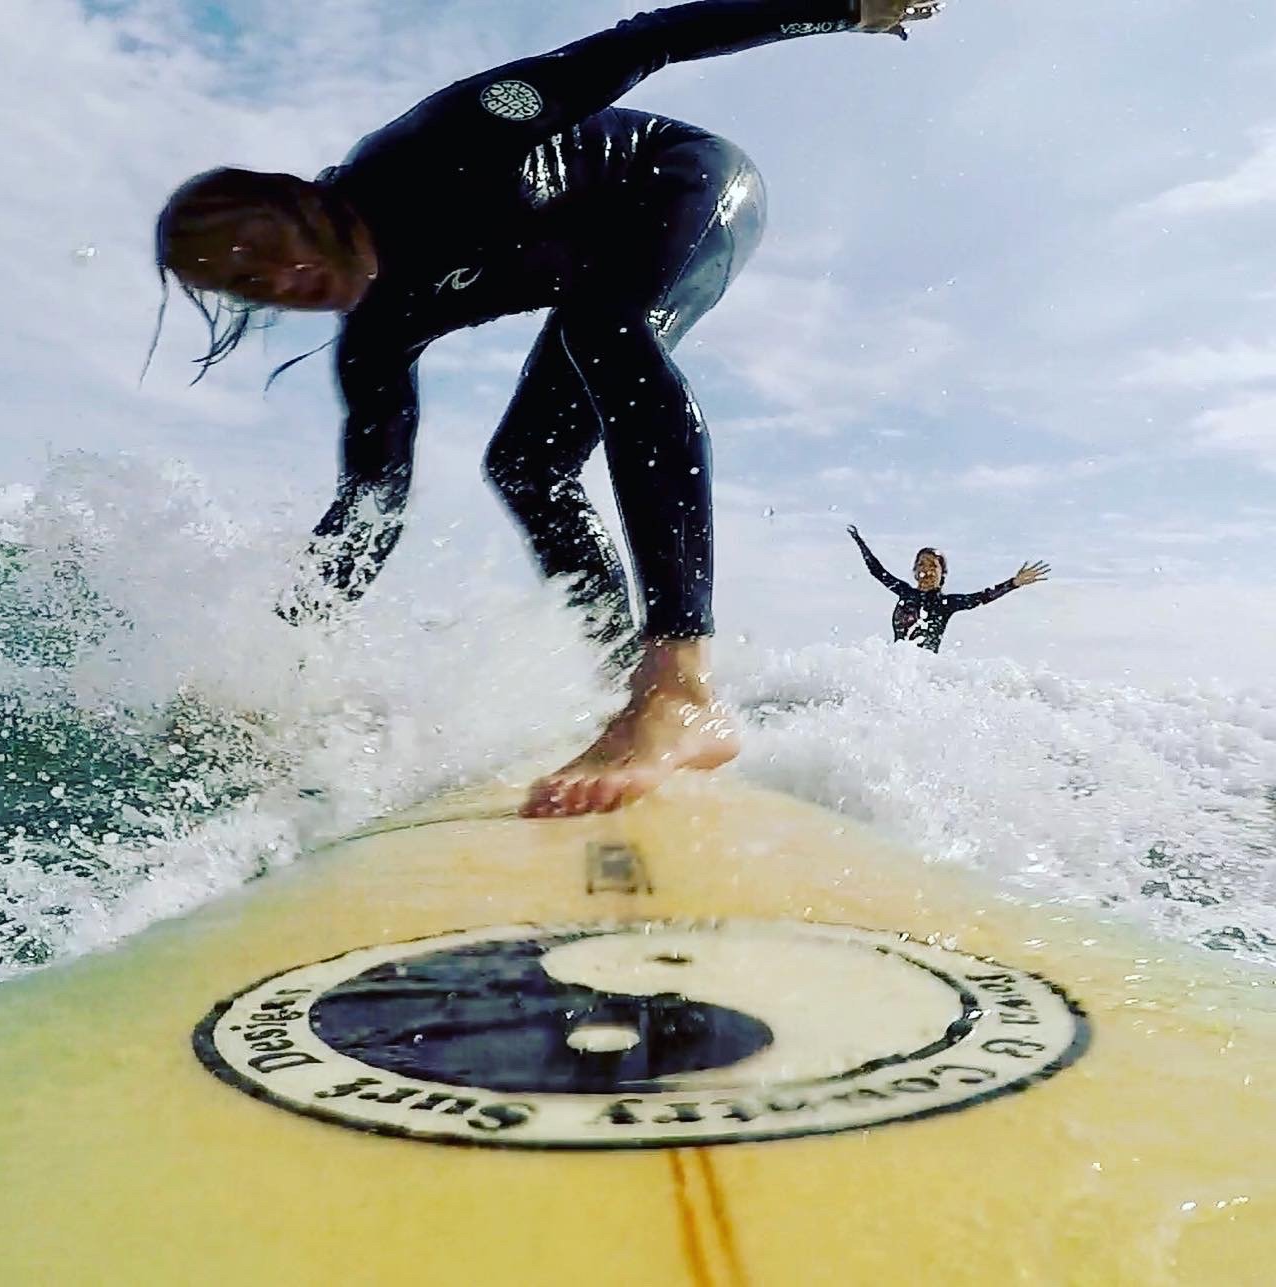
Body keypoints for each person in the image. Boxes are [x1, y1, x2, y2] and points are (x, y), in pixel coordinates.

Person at [151, 0, 943, 818]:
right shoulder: (375, 335)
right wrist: (276, 654)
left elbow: (648, 40)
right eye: (247, 285)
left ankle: (679, 688)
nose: (282, 284)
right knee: (526, 464)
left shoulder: (439, 143)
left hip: (687, 179)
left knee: (608, 327)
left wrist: (843, 10)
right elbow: (370, 507)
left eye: (265, 249)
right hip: (604, 281)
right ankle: (623, 692)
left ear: (287, 196)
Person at [846, 525, 1049, 653]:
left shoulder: (946, 604)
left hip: (925, 672)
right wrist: (860, 543)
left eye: (932, 565)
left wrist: (1013, 583)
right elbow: (877, 571)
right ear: (915, 570)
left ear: (942, 573)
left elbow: (982, 597)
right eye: (921, 564)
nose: (926, 570)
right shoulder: (904, 592)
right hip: (897, 670)